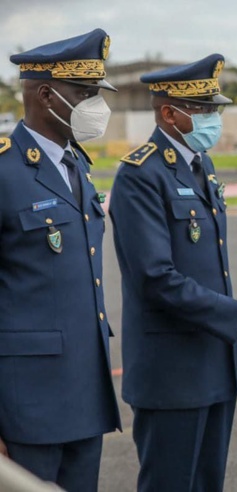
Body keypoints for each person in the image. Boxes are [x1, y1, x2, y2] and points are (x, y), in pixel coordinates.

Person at [109, 54, 237, 492]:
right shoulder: (141, 176)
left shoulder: (201, 166)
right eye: (204, 110)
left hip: (213, 364)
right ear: (169, 113)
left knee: (207, 483)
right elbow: (158, 279)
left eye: (216, 109)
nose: (215, 118)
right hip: (171, 372)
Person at [0, 29, 121, 490]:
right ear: (46, 95)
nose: (97, 106)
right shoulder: (6, 172)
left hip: (83, 398)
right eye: (86, 93)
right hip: (24, 408)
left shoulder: (77, 168)